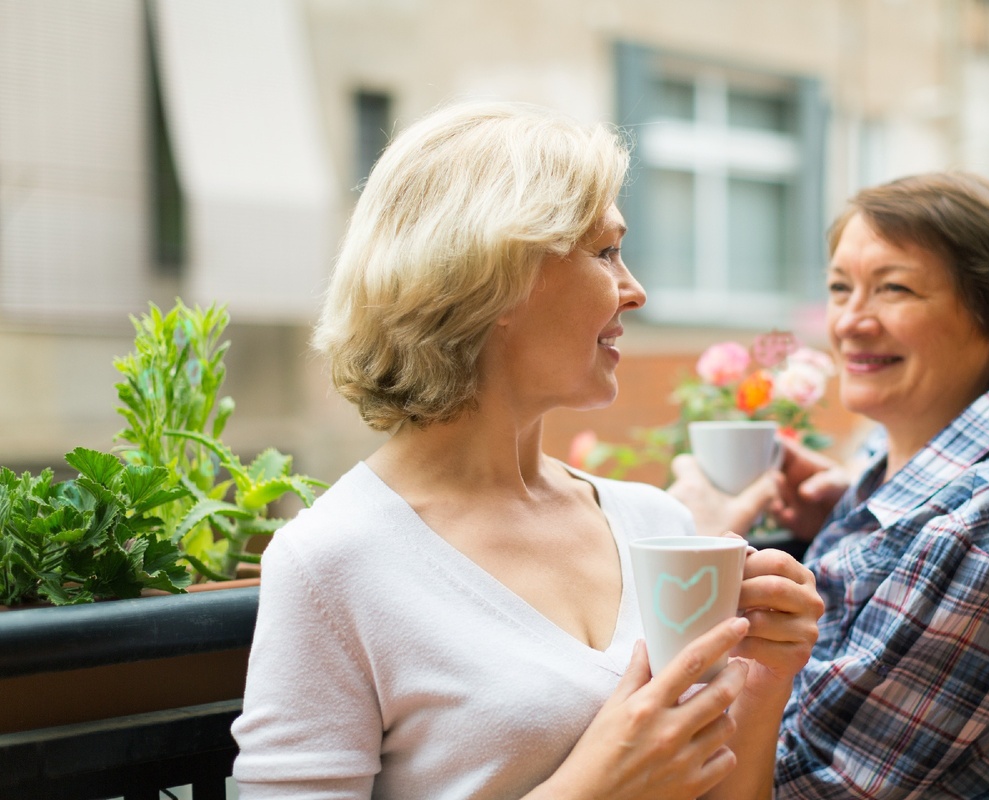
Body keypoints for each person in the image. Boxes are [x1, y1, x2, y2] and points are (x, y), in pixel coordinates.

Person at [229, 100, 824, 800]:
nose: (635, 291)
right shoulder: (332, 562)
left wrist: (765, 679)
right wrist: (593, 788)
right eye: (605, 252)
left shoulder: (657, 524)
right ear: (495, 276)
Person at [669, 172, 989, 796]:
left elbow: (798, 788)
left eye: (894, 288)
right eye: (841, 288)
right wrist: (847, 513)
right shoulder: (935, 456)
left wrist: (699, 545)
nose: (851, 322)